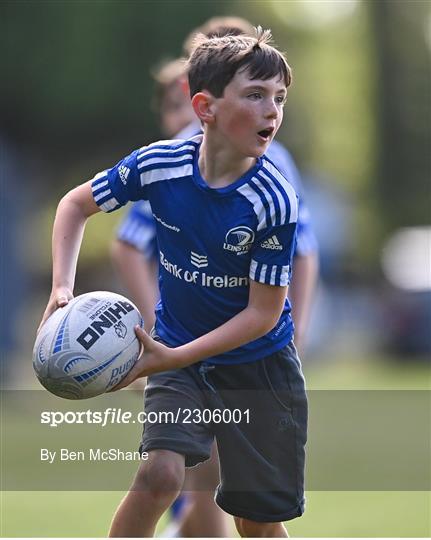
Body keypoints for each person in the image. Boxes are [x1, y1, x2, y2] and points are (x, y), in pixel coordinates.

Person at [40, 29, 308, 537]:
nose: (272, 111)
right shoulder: (159, 165)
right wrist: (61, 289)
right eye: (254, 95)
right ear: (204, 107)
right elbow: (75, 206)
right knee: (158, 475)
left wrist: (171, 356)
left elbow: (263, 314)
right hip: (179, 350)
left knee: (254, 522)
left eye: (279, 98)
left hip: (259, 368)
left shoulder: (274, 199)